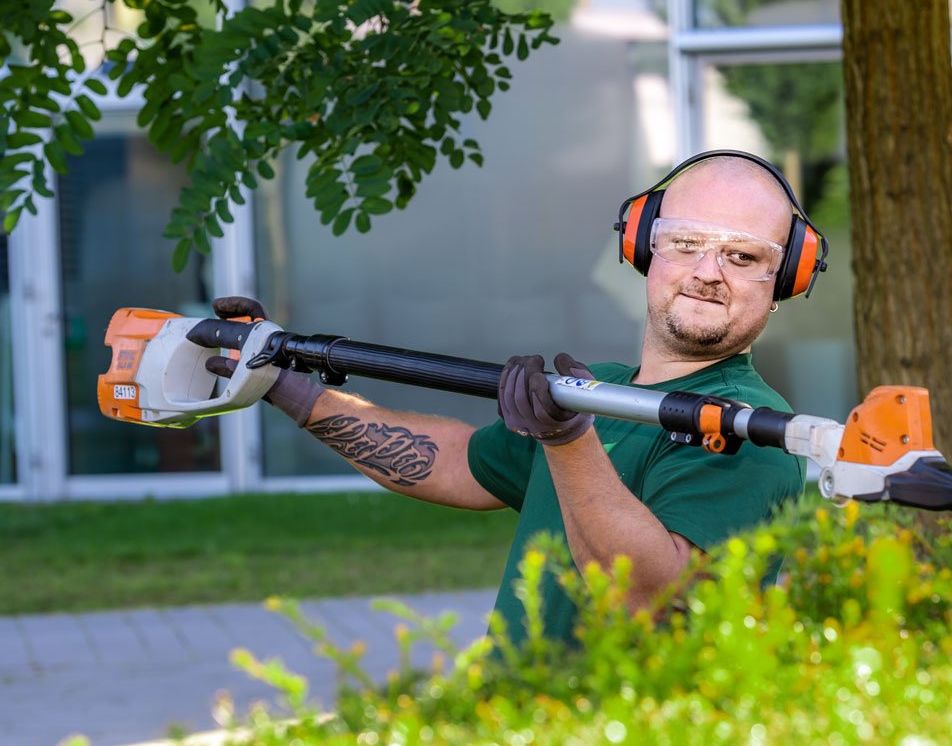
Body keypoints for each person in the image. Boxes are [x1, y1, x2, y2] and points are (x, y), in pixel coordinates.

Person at [207, 150, 828, 647]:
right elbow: (452, 463)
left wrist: (566, 439)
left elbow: (648, 602)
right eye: (686, 243)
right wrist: (288, 388)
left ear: (785, 280)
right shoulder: (600, 391)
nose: (707, 271)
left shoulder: (749, 432)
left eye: (742, 256)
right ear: (643, 248)